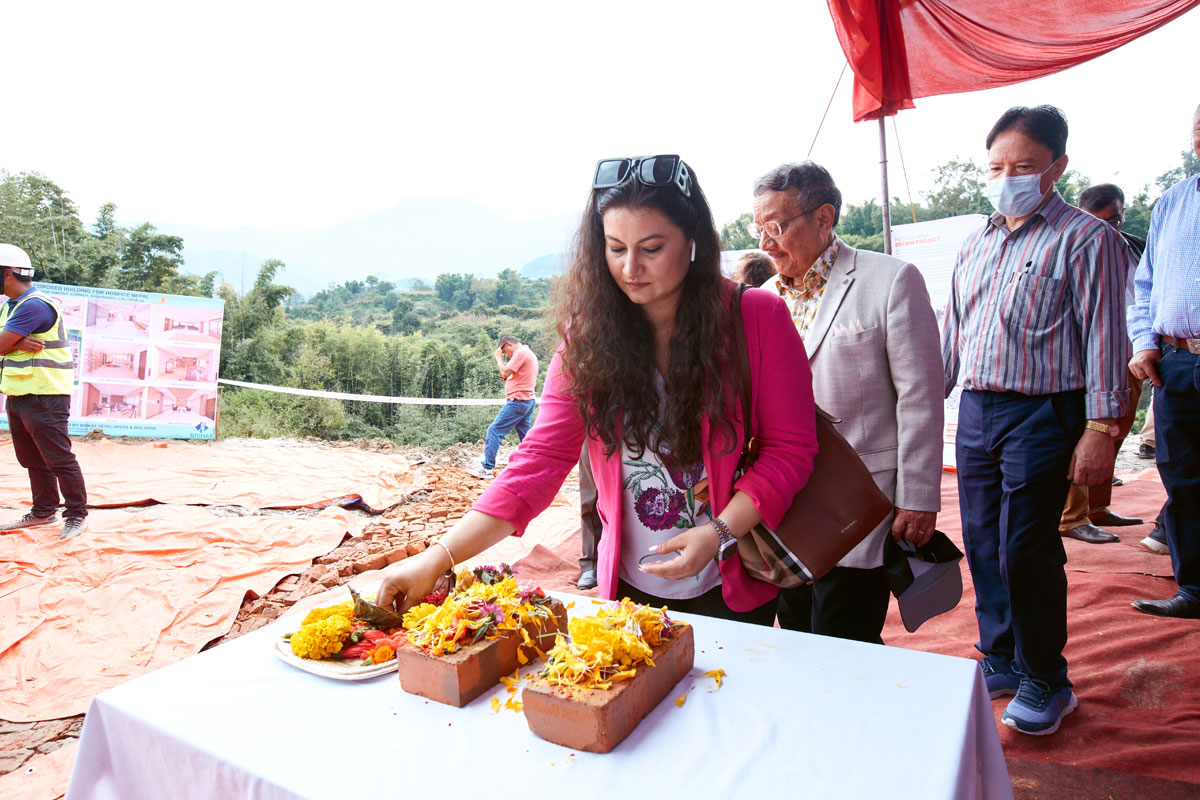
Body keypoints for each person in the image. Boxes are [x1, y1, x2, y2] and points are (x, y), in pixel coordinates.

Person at [380, 155, 818, 624]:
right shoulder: (589, 336)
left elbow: (790, 449)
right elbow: (541, 459)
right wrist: (436, 558)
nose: (631, 268)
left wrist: (717, 533)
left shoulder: (757, 318)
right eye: (615, 248)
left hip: (727, 579)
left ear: (692, 242)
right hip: (628, 586)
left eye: (651, 248)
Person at [942, 106, 1130, 735]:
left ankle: (1048, 678)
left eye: (1023, 166)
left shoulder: (1086, 239)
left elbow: (1107, 337)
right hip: (977, 407)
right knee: (983, 539)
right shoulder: (978, 240)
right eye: (996, 166)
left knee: (1027, 547)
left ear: (1057, 167)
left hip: (1045, 412)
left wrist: (1101, 430)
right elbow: (954, 335)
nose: (1007, 177)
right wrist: (921, 401)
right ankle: (1000, 654)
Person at [751, 162, 944, 645]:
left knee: (847, 634)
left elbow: (920, 396)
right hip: (786, 500)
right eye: (758, 229)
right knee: (794, 628)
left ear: (823, 217)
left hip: (860, 499)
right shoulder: (764, 297)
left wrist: (919, 498)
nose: (764, 243)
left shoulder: (889, 281)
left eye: (775, 226)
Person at [1126, 102, 1200, 620]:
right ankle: (1193, 588)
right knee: (1183, 477)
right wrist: (1144, 341)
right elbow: (1144, 284)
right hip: (1175, 361)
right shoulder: (1172, 201)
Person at [1057, 183, 1147, 544]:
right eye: (1098, 221)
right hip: (1089, 359)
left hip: (1134, 355)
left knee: (1116, 433)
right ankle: (1071, 517)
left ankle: (1098, 507)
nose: (1108, 229)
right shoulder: (1073, 247)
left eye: (1115, 221)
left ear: (1122, 216)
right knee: (1088, 433)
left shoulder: (1138, 247)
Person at [0, 243, 88, 539]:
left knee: (59, 458)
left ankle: (76, 515)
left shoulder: (34, 305)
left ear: (8, 274)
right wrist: (15, 341)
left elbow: (0, 344)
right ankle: (43, 512)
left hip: (45, 395)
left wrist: (9, 341)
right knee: (32, 459)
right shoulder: (10, 307)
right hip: (19, 394)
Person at [465, 334, 538, 479]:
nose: (506, 356)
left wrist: (498, 358)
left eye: (505, 352)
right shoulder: (527, 353)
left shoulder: (521, 352)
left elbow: (504, 372)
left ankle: (487, 468)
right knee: (526, 437)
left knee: (494, 430)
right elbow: (506, 376)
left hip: (518, 400)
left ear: (508, 345)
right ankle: (535, 467)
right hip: (527, 400)